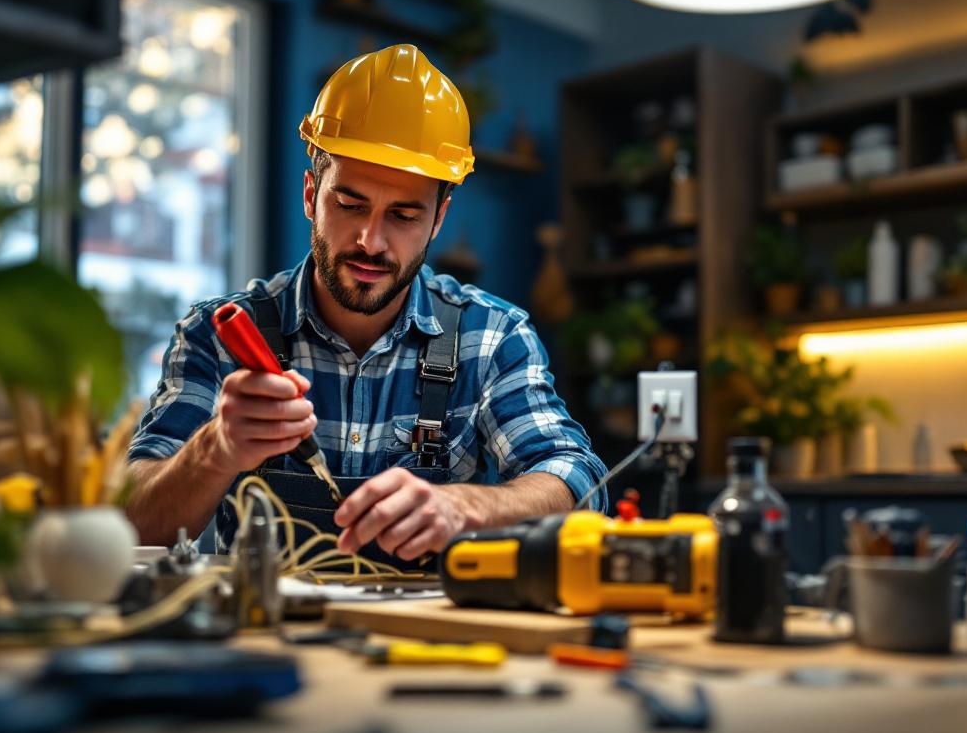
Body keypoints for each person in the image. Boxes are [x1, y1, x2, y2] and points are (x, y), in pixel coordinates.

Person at [125, 43, 606, 568]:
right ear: (312, 194)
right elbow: (131, 525)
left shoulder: (491, 338)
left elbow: (577, 482)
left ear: (437, 220)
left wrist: (465, 505)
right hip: (259, 637)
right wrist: (215, 448)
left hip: (424, 645)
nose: (371, 241)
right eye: (350, 204)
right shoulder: (220, 335)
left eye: (403, 216)